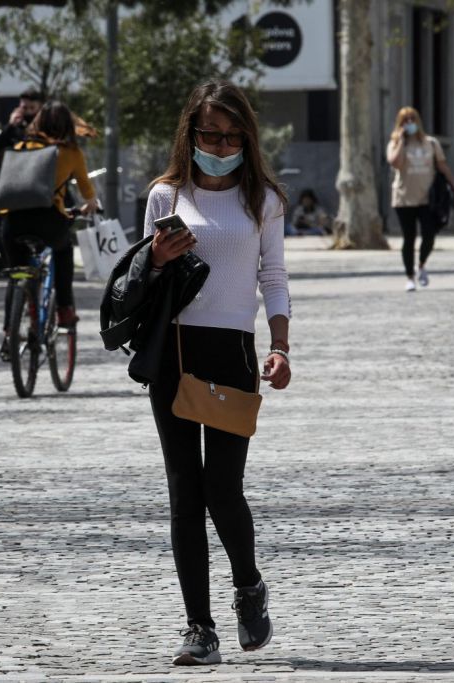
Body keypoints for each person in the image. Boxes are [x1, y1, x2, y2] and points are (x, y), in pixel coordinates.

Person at [142, 80, 291, 666]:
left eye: (233, 136)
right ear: (191, 133)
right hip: (174, 354)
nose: (222, 145)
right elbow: (141, 276)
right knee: (185, 490)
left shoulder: (264, 200)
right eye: (211, 134)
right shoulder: (164, 195)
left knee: (223, 489)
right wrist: (156, 258)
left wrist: (279, 345)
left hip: (234, 353)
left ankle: (249, 586)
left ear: (247, 138)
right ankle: (199, 628)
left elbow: (273, 277)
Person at [0, 100, 96, 359]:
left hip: (12, 223)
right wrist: (90, 205)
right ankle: (64, 310)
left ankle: (9, 333)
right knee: (63, 250)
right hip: (48, 221)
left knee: (17, 276)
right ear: (67, 125)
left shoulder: (20, 147)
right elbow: (87, 192)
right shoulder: (70, 152)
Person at [386, 106, 454, 291]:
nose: (409, 124)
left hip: (428, 199)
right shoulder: (394, 143)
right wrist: (402, 140)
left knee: (429, 235)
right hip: (403, 198)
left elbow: (442, 167)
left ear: (418, 122)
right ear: (399, 124)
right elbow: (395, 162)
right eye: (405, 121)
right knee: (408, 238)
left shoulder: (431, 143)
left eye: (412, 120)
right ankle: (409, 277)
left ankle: (422, 264)